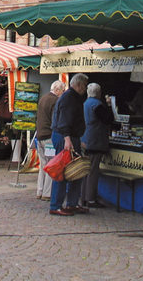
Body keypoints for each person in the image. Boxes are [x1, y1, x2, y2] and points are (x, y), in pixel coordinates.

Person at [49, 73, 89, 216]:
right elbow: (64, 121)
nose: (85, 89)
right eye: (84, 85)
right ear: (78, 85)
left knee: (76, 171)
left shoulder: (73, 97)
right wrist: (67, 139)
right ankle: (56, 205)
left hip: (71, 137)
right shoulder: (69, 98)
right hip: (65, 137)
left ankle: (71, 203)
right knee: (63, 170)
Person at [80, 82, 113, 208]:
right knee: (93, 171)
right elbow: (108, 119)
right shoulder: (97, 105)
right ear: (98, 93)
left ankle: (83, 197)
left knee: (85, 171)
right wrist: (109, 105)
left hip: (85, 139)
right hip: (95, 141)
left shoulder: (84, 104)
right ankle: (90, 199)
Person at [35, 80, 65, 201]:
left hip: (40, 136)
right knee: (51, 165)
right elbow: (55, 120)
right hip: (49, 137)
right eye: (62, 91)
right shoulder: (55, 101)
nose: (62, 93)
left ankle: (39, 190)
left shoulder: (43, 98)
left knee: (43, 165)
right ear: (57, 90)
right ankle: (47, 193)